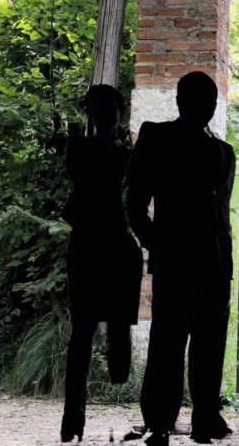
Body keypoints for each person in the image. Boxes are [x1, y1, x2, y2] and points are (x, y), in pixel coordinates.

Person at [125, 71, 236, 446]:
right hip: (180, 260)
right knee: (170, 343)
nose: (203, 107)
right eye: (197, 99)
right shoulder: (158, 137)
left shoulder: (224, 152)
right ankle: (161, 419)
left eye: (208, 100)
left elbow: (221, 214)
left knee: (202, 343)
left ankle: (201, 415)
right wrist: (156, 243)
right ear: (180, 101)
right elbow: (135, 203)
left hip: (214, 262)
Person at [60, 84, 142, 443]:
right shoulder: (119, 153)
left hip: (88, 246)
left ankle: (73, 414)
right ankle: (112, 371)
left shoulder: (78, 149)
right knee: (106, 327)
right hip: (111, 245)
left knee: (82, 332)